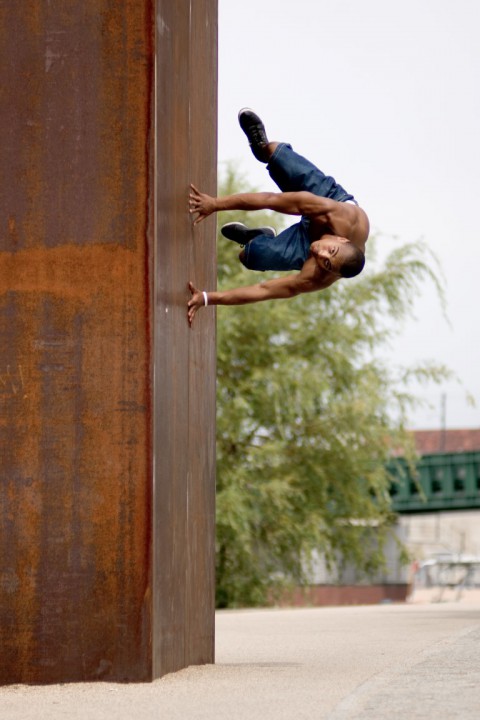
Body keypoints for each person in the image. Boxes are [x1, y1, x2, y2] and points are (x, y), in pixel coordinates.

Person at [188, 109, 369, 326]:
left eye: (327, 263)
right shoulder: (333, 212)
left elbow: (264, 290)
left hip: (306, 238)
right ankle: (261, 147)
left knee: (249, 257)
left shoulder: (317, 275)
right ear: (341, 240)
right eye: (330, 251)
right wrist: (214, 204)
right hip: (327, 196)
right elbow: (270, 199)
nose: (319, 254)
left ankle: (258, 237)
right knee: (273, 153)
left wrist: (206, 298)